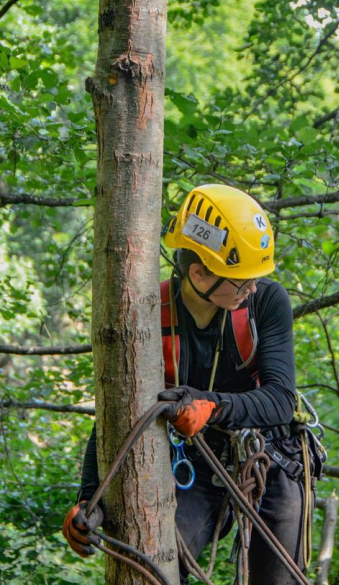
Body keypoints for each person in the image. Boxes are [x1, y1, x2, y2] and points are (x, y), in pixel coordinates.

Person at [63, 184, 322, 584]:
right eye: (240, 280)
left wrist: (209, 406)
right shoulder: (151, 313)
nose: (251, 287)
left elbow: (279, 400)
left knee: (279, 578)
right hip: (195, 468)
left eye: (254, 277)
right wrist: (89, 496)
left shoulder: (266, 302)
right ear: (198, 272)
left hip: (270, 457)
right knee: (160, 563)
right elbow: (118, 410)